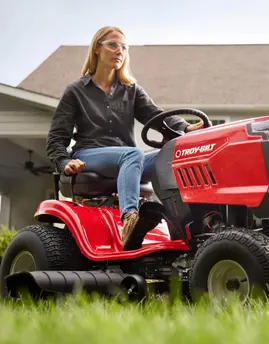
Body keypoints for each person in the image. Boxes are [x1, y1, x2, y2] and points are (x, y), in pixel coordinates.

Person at [45, 25, 203, 250]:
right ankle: (129, 221)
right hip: (89, 155)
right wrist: (64, 162)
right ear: (97, 48)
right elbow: (56, 137)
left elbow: (156, 116)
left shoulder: (131, 90)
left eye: (124, 47)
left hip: (128, 159)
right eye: (113, 45)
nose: (119, 51)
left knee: (171, 156)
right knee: (132, 154)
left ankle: (183, 230)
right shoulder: (76, 91)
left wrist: (185, 128)